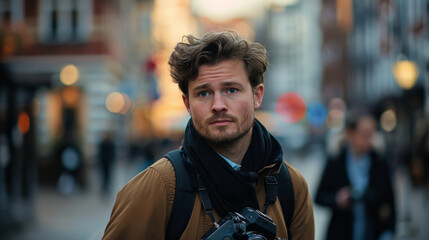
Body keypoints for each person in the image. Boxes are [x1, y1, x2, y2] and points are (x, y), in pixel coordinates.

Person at [102, 31, 314, 239]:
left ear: (257, 96)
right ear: (187, 104)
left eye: (231, 90)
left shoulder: (291, 187)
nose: (218, 105)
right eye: (204, 93)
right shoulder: (157, 188)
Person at [315, 108, 396, 240]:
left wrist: (388, 231)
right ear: (350, 134)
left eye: (371, 133)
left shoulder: (379, 162)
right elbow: (319, 197)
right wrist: (337, 199)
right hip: (341, 232)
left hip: (373, 231)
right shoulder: (336, 161)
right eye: (365, 134)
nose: (369, 139)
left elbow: (390, 201)